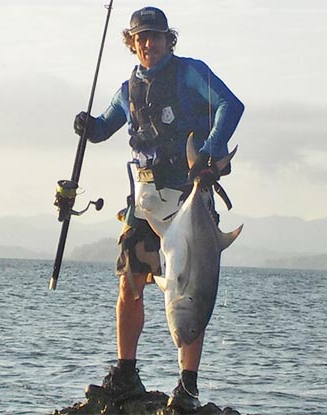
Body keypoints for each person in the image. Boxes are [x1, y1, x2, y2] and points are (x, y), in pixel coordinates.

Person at [73, 6, 245, 412]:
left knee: (194, 285)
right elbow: (105, 126)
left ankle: (187, 386)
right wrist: (88, 127)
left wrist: (208, 151)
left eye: (156, 36)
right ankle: (126, 375)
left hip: (189, 195)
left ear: (170, 39)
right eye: (141, 38)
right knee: (129, 283)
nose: (149, 44)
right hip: (146, 202)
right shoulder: (126, 88)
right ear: (131, 43)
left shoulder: (190, 73)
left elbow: (230, 106)